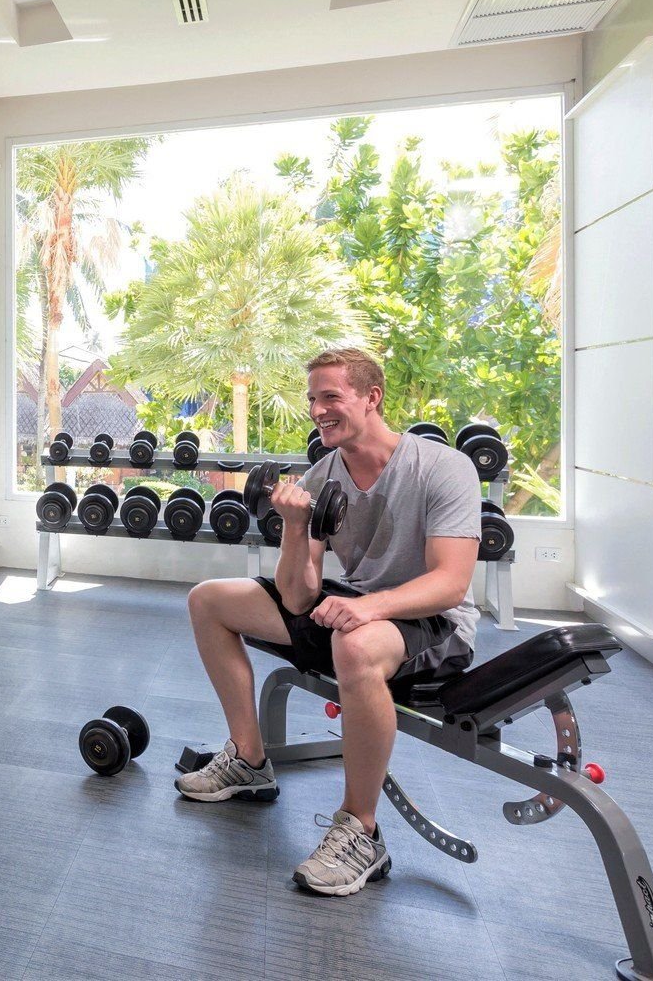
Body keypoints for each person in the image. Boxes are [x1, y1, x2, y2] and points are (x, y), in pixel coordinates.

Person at [176, 347, 480, 896]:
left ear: (371, 397)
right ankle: (248, 761)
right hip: (355, 608)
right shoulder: (322, 474)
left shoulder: (442, 467)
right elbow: (298, 598)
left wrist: (369, 608)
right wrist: (295, 528)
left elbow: (450, 582)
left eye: (331, 397)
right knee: (209, 600)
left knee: (355, 646)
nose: (318, 410)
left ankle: (361, 830)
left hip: (434, 621)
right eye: (313, 399)